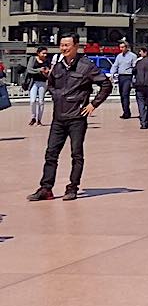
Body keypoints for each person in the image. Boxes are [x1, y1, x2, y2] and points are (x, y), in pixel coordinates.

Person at [27, 33, 112, 202]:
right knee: (51, 153)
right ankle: (46, 188)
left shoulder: (86, 66)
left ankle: (72, 187)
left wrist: (93, 104)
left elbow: (106, 84)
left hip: (77, 117)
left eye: (67, 45)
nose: (64, 48)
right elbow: (51, 84)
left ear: (76, 47)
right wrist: (57, 96)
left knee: (76, 154)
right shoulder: (58, 66)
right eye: (62, 45)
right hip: (59, 117)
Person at [109, 39, 138, 119]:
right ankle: (125, 111)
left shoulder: (133, 56)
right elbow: (115, 65)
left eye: (122, 47)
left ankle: (126, 112)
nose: (121, 49)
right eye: (120, 47)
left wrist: (134, 78)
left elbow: (135, 67)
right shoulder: (119, 56)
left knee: (125, 94)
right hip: (121, 76)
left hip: (128, 76)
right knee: (122, 95)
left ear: (126, 47)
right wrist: (112, 74)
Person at [24, 46, 51, 126]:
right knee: (32, 101)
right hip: (34, 82)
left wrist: (46, 72)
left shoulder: (47, 61)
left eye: (46, 53)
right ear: (38, 53)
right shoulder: (32, 59)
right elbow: (29, 69)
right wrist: (39, 70)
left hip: (43, 82)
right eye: (43, 53)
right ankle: (33, 117)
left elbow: (49, 71)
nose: (45, 55)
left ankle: (39, 119)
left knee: (41, 101)